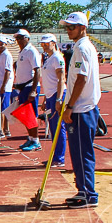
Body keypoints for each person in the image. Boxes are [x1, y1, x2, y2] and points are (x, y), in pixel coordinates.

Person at [59, 11, 102, 207]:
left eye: (72, 27)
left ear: (82, 27)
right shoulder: (82, 47)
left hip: (81, 110)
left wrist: (69, 106)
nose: (68, 30)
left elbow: (82, 79)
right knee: (78, 153)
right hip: (82, 108)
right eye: (67, 27)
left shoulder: (83, 48)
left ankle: (88, 194)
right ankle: (83, 191)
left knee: (82, 153)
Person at [39, 34, 68, 167]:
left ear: (53, 43)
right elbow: (49, 80)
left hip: (57, 95)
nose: (44, 46)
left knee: (58, 127)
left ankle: (59, 158)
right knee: (52, 127)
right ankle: (56, 156)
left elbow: (61, 79)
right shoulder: (48, 58)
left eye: (46, 43)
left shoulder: (57, 57)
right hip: (51, 95)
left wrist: (58, 98)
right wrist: (46, 98)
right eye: (42, 44)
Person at [12, 29, 42, 150]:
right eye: (17, 38)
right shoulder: (22, 52)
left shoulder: (31, 51)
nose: (18, 40)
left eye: (20, 38)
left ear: (27, 38)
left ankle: (36, 140)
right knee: (25, 115)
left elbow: (37, 70)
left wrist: (33, 90)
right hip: (23, 87)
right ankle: (30, 138)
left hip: (30, 87)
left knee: (31, 115)